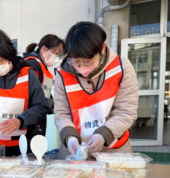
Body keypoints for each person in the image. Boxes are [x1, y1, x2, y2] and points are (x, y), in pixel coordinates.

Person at [54, 22, 139, 159]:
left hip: (114, 152)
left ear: (103, 48)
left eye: (88, 62)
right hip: (74, 152)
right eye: (76, 62)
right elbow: (61, 114)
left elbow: (126, 112)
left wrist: (102, 136)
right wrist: (70, 137)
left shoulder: (122, 68)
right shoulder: (62, 75)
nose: (82, 68)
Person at [0, 29, 50, 157]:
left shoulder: (28, 75)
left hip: (26, 143)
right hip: (0, 144)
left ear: (8, 54)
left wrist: (20, 121)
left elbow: (41, 107)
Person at [23, 35, 65, 135]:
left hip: (38, 118)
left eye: (59, 55)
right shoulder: (33, 65)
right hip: (30, 121)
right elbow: (32, 96)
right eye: (56, 53)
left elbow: (45, 93)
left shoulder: (42, 68)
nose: (56, 58)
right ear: (44, 49)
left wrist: (56, 108)